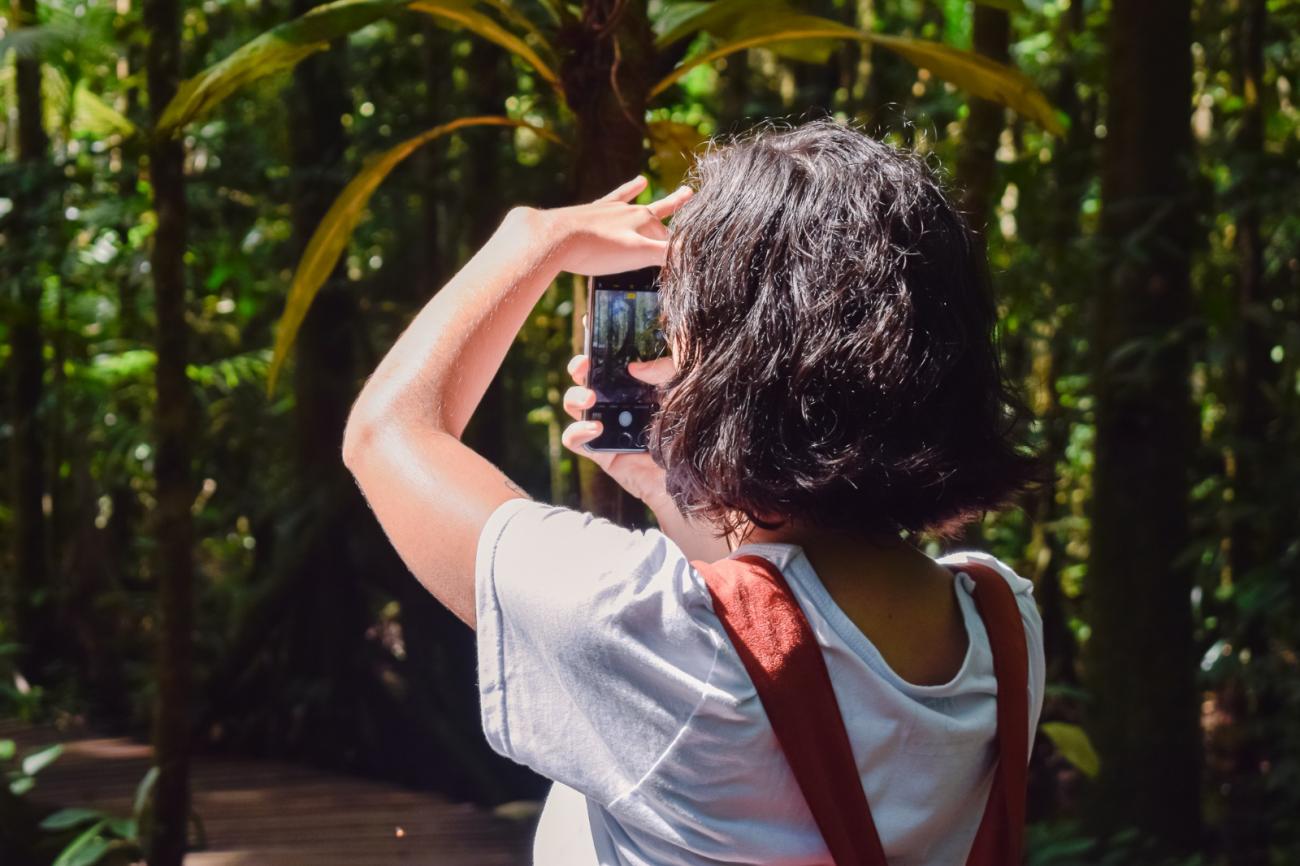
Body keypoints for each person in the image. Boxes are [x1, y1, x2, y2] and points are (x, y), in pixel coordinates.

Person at [342, 118, 1047, 865]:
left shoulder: (641, 622)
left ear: (741, 365)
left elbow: (386, 434)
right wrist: (676, 485)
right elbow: (793, 632)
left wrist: (531, 237)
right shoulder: (1004, 628)